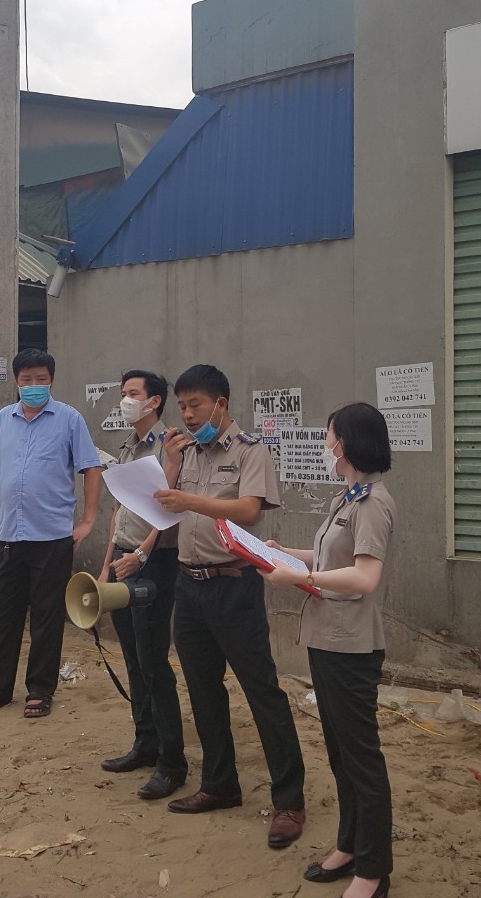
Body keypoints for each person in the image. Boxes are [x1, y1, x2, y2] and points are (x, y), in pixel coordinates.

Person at [153, 363, 306, 849]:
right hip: (189, 585)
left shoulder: (249, 450)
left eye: (195, 405)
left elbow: (249, 510)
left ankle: (289, 801)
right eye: (182, 406)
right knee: (202, 690)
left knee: (262, 691)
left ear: (220, 403)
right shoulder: (186, 452)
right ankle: (220, 784)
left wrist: (190, 501)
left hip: (233, 585)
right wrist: (170, 466)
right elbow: (160, 508)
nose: (187, 414)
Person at [263, 404, 396, 898]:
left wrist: (302, 576)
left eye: (330, 437)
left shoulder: (373, 503)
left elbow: (364, 576)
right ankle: (350, 846)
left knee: (361, 758)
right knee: (340, 754)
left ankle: (374, 870)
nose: (326, 446)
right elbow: (329, 557)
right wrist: (284, 555)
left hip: (351, 646)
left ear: (349, 443)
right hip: (326, 638)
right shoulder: (348, 497)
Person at [0, 349, 102, 720]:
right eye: (26, 379)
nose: (34, 385)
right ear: (16, 381)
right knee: (1, 617)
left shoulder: (69, 419)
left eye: (41, 379)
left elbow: (91, 468)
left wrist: (87, 521)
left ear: (51, 379)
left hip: (52, 537)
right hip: (7, 537)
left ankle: (40, 689)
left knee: (46, 618)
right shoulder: (3, 419)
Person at [95, 369, 187, 799]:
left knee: (153, 660)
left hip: (154, 561)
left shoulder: (172, 444)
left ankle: (172, 762)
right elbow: (119, 511)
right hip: (123, 559)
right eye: (123, 392)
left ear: (154, 401)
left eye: (133, 393)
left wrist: (142, 555)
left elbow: (169, 511)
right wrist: (107, 565)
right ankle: (145, 743)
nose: (125, 400)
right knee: (131, 655)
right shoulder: (129, 445)